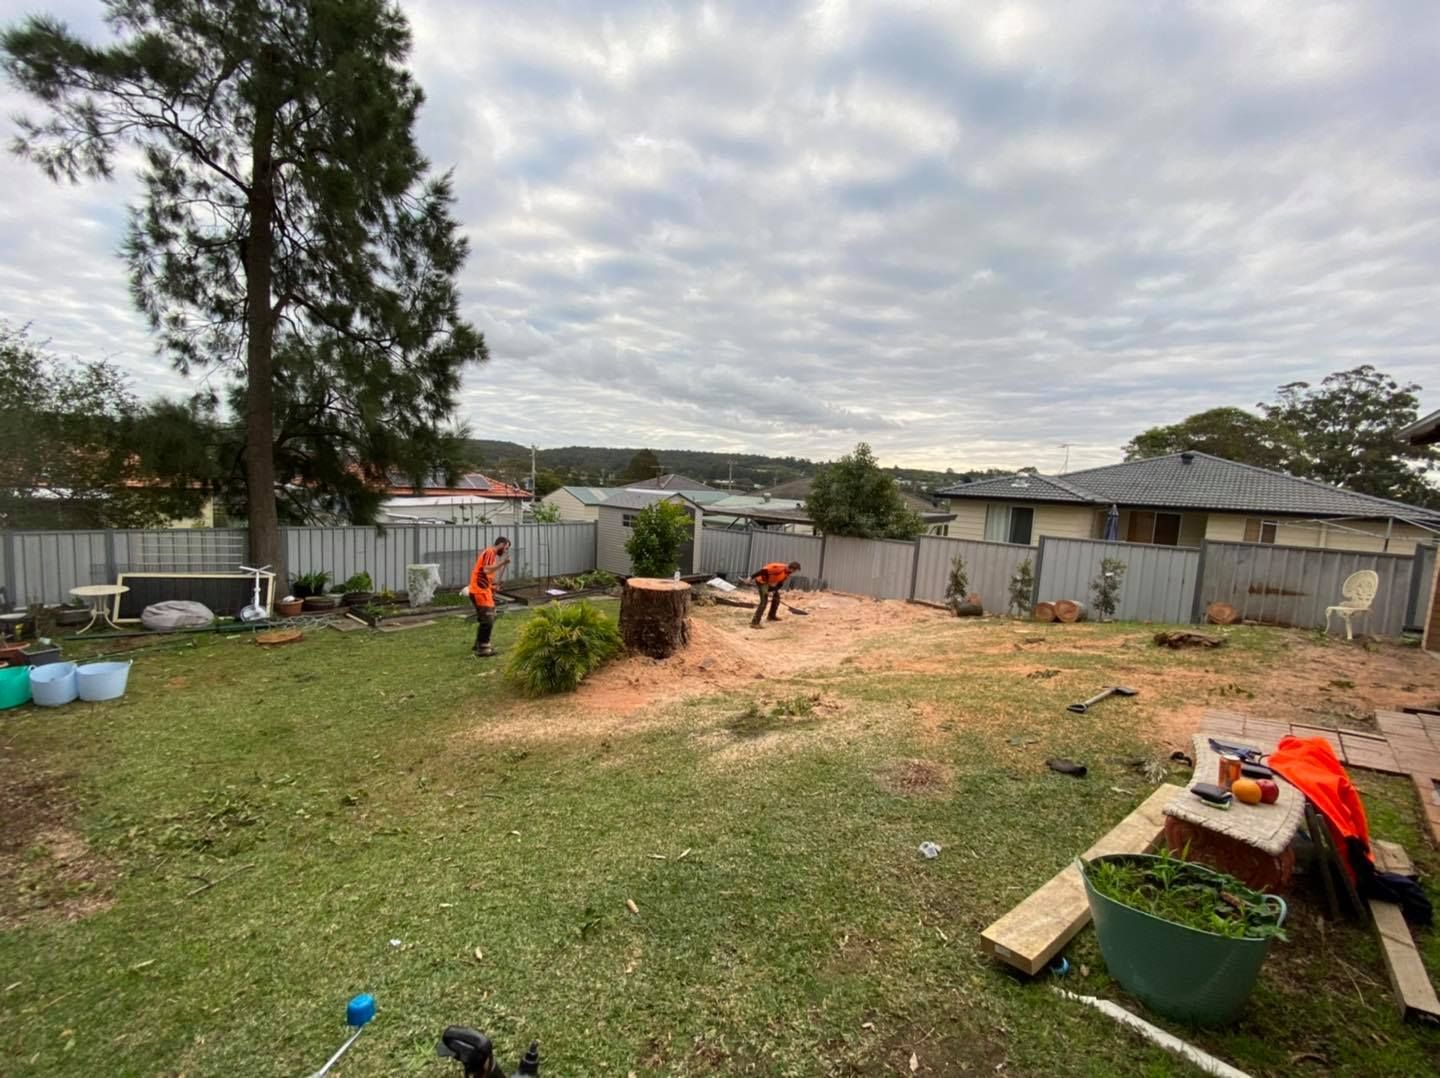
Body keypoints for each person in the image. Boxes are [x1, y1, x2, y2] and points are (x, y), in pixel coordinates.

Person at [468, 536, 511, 657]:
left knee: (486, 619)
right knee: (488, 619)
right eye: (506, 548)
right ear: (501, 544)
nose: (505, 551)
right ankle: (483, 648)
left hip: (483, 590)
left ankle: (479, 644)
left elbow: (485, 576)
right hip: (479, 591)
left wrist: (493, 587)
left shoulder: (491, 555)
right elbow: (486, 570)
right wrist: (503, 562)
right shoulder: (490, 552)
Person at [750, 560, 801, 627]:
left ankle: (771, 616)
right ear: (791, 568)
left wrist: (774, 590)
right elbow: (762, 571)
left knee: (777, 598)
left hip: (769, 583)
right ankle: (755, 623)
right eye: (795, 570)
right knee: (764, 602)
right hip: (761, 581)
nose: (794, 572)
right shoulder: (778, 568)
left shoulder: (787, 573)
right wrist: (750, 578)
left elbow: (780, 584)